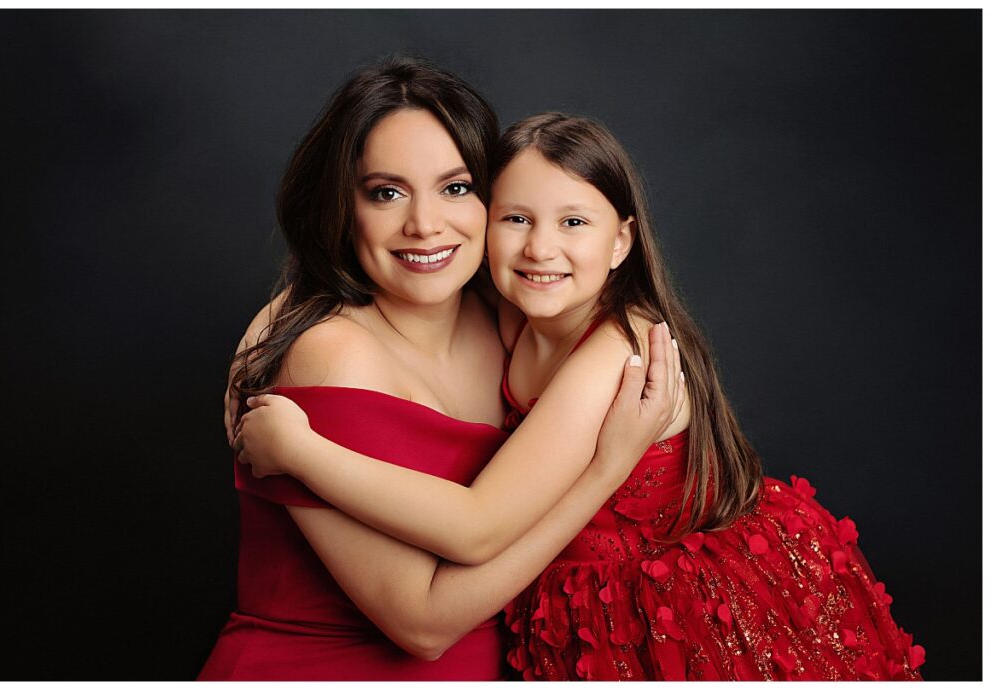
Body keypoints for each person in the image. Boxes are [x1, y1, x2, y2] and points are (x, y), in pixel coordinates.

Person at [235, 113, 925, 681]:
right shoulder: (515, 312)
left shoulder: (615, 352)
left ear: (623, 240)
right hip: (579, 605)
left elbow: (475, 525)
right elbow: (375, 282)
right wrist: (270, 334)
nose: (540, 249)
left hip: (682, 610)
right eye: (515, 220)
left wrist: (302, 451)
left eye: (574, 223)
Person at [200, 57, 682, 681]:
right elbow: (422, 625)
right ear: (342, 208)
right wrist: (605, 470)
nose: (425, 224)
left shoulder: (504, 311)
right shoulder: (331, 353)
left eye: (455, 188)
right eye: (386, 192)